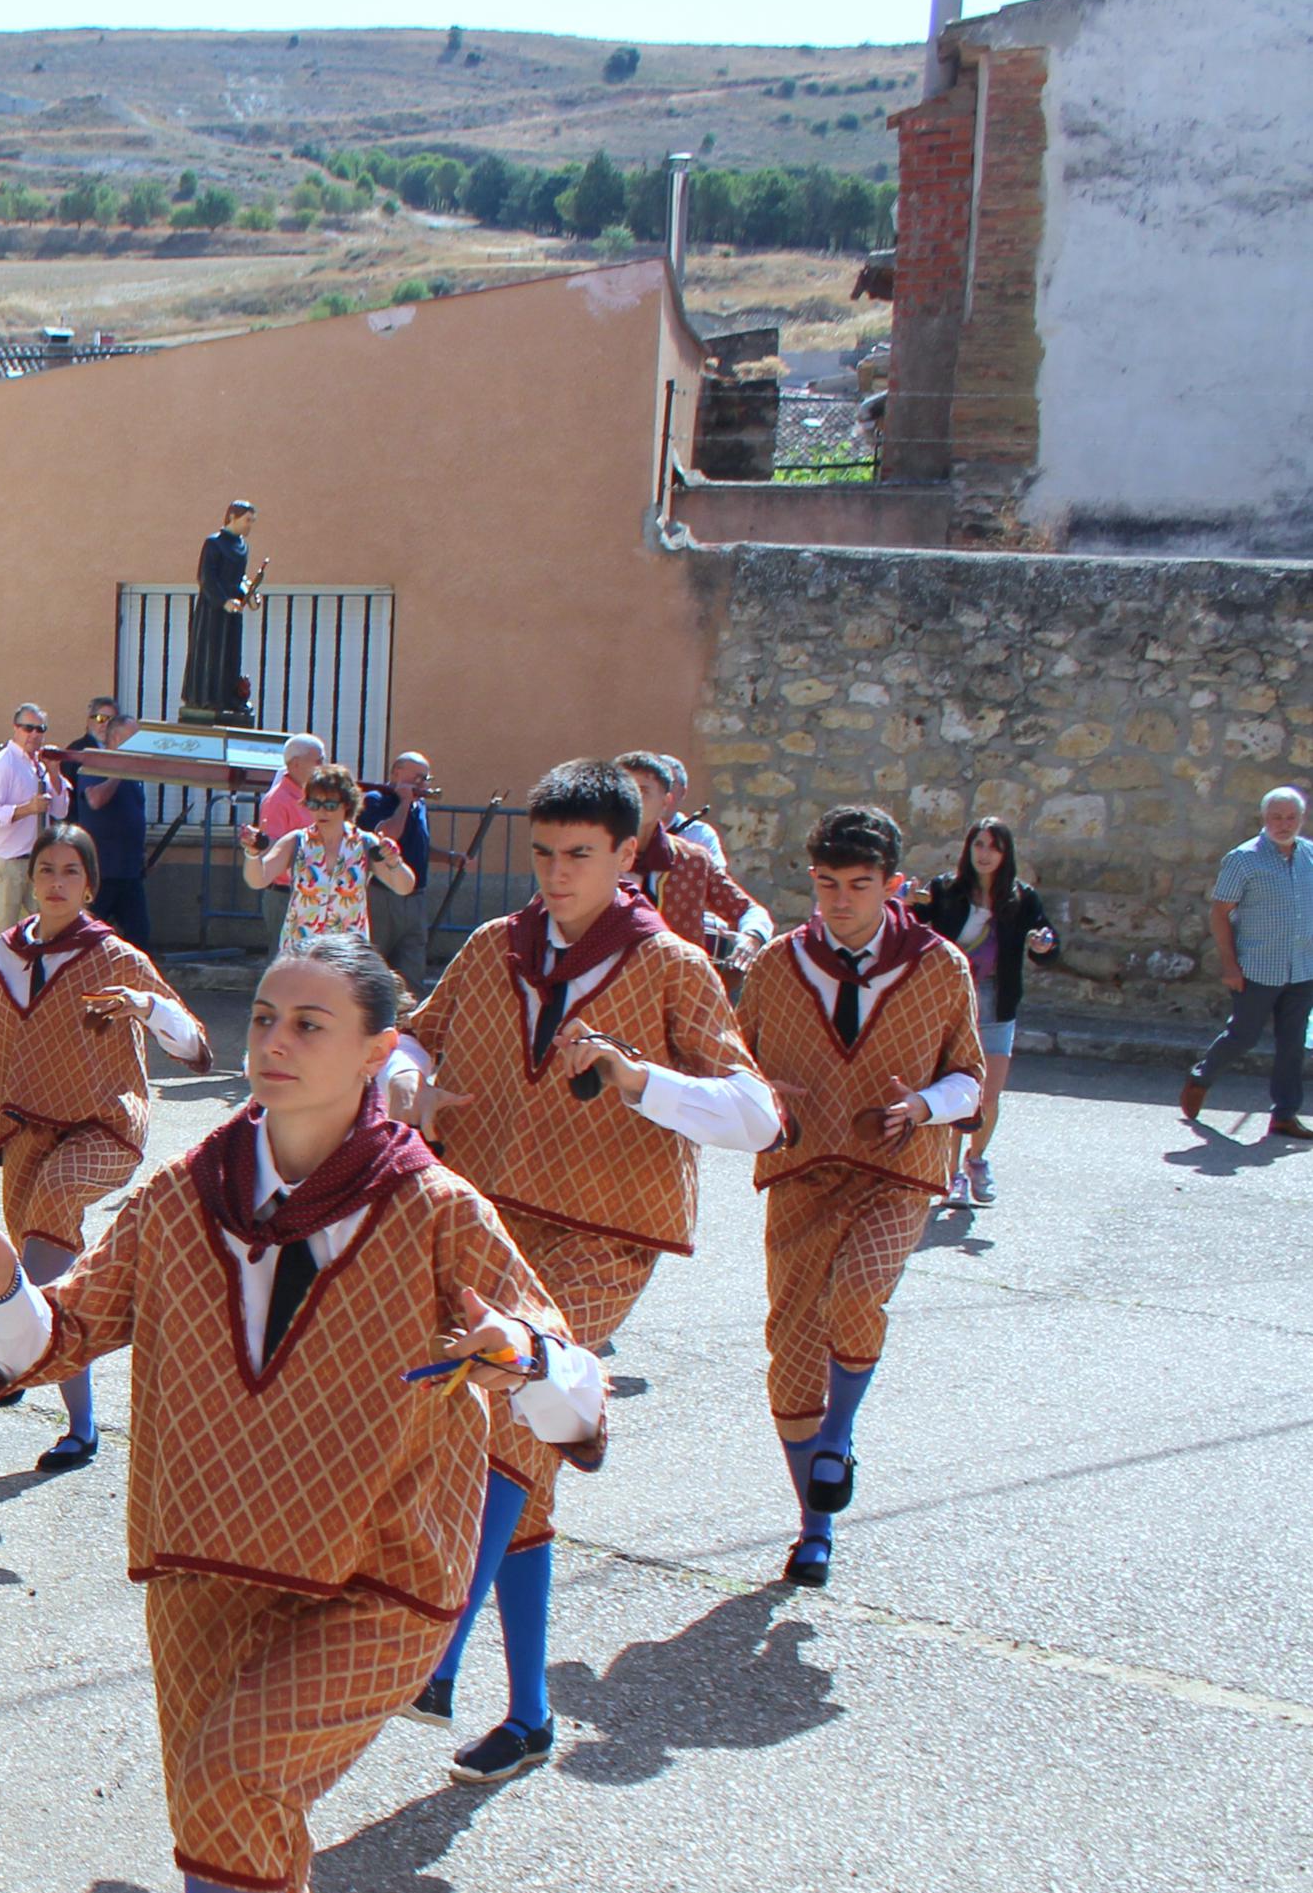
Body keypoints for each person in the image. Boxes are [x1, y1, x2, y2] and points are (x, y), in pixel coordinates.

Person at [0, 931, 603, 1893]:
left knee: (238, 1775)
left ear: (375, 1054)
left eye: (309, 1023)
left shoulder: (435, 1211)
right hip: (202, 1563)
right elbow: (69, 1330)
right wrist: (9, 1290)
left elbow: (572, 1389)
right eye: (266, 1017)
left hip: (379, 1576)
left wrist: (525, 1357)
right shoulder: (187, 1188)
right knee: (233, 1833)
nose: (275, 1040)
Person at [393, 758, 780, 1785]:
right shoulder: (490, 949)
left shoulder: (671, 969)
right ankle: (526, 1716)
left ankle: (435, 1649)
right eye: (544, 853)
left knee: (511, 1402)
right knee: (525, 1456)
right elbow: (410, 1044)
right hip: (484, 1227)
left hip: (606, 1237)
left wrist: (639, 1078)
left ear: (624, 855)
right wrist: (411, 1090)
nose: (556, 873)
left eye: (578, 855)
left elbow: (756, 1114)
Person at [733, 808, 986, 1587]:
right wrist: (753, 1085)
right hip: (803, 1168)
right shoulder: (778, 966)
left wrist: (921, 1107)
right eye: (825, 884)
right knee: (790, 1349)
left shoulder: (939, 966)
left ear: (893, 885)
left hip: (896, 1165)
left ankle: (837, 1436)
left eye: (858, 885)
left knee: (857, 1291)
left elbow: (969, 1078)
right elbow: (730, 1062)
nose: (838, 900)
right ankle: (813, 1526)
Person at [0, 824, 210, 1472]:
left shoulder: (114, 956)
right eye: (46, 869)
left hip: (103, 1126)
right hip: (26, 1135)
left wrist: (142, 1006)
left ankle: (5, 1354)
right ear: (29, 879)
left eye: (70, 872)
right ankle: (79, 1426)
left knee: (52, 1210)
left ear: (89, 883)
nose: (56, 882)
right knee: (42, 1269)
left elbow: (196, 1047)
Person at [917, 818, 1057, 1203]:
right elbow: (915, 928)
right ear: (969, 848)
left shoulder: (1022, 899)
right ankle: (950, 1177)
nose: (985, 854)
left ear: (1005, 854)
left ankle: (976, 1160)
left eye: (993, 847)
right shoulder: (946, 890)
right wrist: (907, 903)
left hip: (998, 1002)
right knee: (951, 1090)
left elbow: (1047, 942)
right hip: (949, 1001)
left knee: (988, 1094)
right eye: (979, 844)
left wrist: (1043, 945)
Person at [1182, 785, 1313, 1141]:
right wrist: (1229, 965)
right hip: (1258, 968)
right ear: (1263, 818)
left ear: (1301, 819)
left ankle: (1284, 1114)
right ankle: (1202, 1076)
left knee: (1293, 1044)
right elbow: (1220, 913)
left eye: (1291, 818)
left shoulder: (1309, 856)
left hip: (1302, 969)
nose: (1284, 824)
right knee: (1243, 1036)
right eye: (1276, 817)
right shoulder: (1243, 859)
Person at [242, 760, 417, 950]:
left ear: (347, 805)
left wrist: (394, 862)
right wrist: (252, 854)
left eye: (330, 805)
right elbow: (258, 880)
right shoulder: (296, 841)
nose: (321, 811)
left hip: (347, 955)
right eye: (314, 804)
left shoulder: (365, 843)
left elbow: (404, 887)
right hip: (302, 952)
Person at [624, 752, 769, 974]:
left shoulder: (693, 861)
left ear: (665, 802)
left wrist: (751, 938)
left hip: (678, 988)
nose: (631, 800)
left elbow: (749, 910)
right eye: (624, 790)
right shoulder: (589, 856)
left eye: (643, 791)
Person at [63, 694, 157, 945]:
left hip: (129, 872)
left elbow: (134, 812)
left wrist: (142, 851)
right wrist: (119, 773)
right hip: (101, 872)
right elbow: (94, 800)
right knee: (88, 939)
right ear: (116, 739)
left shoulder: (135, 771)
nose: (138, 744)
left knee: (139, 939)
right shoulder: (97, 761)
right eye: (132, 738)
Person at [0, 704, 69, 936]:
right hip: (7, 862)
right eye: (29, 728)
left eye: (41, 729)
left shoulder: (38, 766)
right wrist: (28, 809)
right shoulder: (3, 765)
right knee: (4, 936)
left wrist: (55, 772)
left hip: (35, 863)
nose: (35, 735)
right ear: (15, 728)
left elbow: (61, 810)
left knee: (45, 930)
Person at [358, 750, 436, 981]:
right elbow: (387, 836)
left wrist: (452, 858)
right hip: (383, 894)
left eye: (425, 778)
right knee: (374, 965)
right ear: (396, 772)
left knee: (412, 971)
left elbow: (418, 846)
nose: (421, 784)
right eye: (417, 777)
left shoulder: (418, 805)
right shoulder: (375, 800)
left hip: (416, 897)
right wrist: (403, 802)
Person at [181, 499, 258, 724]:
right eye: (247, 520)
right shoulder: (214, 543)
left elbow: (241, 578)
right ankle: (206, 697)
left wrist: (250, 595)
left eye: (252, 521)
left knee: (231, 654)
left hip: (233, 611)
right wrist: (223, 601)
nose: (249, 525)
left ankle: (228, 697)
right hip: (213, 611)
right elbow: (206, 578)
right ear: (232, 517)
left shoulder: (243, 546)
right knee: (211, 653)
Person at [252, 731, 326, 850]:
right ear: (296, 763)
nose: (323, 767)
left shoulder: (316, 795)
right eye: (318, 762)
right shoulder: (277, 801)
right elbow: (272, 850)